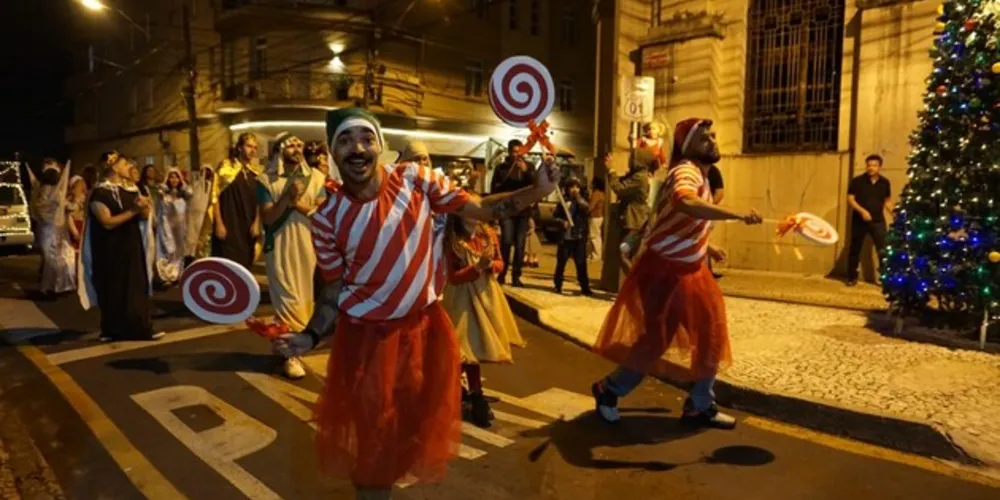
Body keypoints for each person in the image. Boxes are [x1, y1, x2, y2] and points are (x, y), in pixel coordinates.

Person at [274, 107, 559, 499]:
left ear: (380, 146)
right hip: (367, 341)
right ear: (333, 152)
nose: (357, 149)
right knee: (374, 439)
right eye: (345, 141)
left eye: (366, 138)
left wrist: (538, 191)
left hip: (424, 331)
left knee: (410, 429)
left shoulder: (416, 179)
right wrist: (309, 336)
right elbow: (333, 290)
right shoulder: (327, 219)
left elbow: (480, 208)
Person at [591, 118, 762, 430]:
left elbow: (682, 221)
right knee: (655, 341)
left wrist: (707, 247)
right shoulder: (685, 171)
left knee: (711, 336)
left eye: (713, 135)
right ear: (687, 146)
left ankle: (699, 406)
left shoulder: (703, 174)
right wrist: (736, 215)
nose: (712, 140)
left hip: (692, 271)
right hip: (664, 272)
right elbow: (685, 201)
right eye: (704, 137)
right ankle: (608, 390)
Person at [253, 133, 328, 380]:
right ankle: (290, 355)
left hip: (307, 245)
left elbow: (321, 211)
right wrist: (286, 197)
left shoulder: (316, 178)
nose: (296, 148)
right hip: (280, 246)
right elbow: (268, 217)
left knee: (305, 299)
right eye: (291, 145)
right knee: (287, 299)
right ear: (278, 151)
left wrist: (297, 204)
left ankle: (291, 345)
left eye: (299, 144)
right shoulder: (266, 180)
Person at [441, 214, 525, 428]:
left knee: (474, 349)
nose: (475, 216)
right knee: (463, 349)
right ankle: (467, 394)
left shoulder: (488, 235)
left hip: (486, 296)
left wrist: (490, 265)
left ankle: (463, 392)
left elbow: (500, 263)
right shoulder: (452, 240)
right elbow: (454, 277)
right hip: (461, 298)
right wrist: (476, 268)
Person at [78, 154, 164, 342]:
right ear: (114, 167)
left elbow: (143, 217)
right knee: (113, 287)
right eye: (125, 164)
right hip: (110, 248)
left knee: (136, 286)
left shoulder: (131, 190)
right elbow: (107, 222)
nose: (129, 167)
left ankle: (141, 328)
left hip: (131, 245)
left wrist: (145, 209)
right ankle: (112, 329)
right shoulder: (100, 193)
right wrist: (134, 210)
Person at [213, 133, 262, 269]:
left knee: (246, 264)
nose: (252, 150)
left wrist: (257, 222)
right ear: (240, 147)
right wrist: (219, 223)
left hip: (248, 225)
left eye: (255, 147)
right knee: (229, 264)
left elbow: (260, 199)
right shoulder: (225, 168)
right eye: (249, 146)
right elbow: (215, 196)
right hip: (230, 224)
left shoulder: (255, 173)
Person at [490, 139, 534, 287]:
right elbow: (495, 189)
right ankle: (502, 274)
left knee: (520, 244)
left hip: (523, 210)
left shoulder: (529, 167)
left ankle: (516, 276)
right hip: (507, 210)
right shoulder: (501, 168)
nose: (517, 155)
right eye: (515, 152)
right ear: (509, 152)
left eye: (520, 152)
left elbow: (535, 186)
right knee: (506, 241)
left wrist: (526, 171)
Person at [846, 154, 892, 286]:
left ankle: (885, 278)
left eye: (874, 165)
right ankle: (851, 277)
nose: (871, 168)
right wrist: (862, 211)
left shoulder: (885, 182)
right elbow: (850, 199)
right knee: (855, 249)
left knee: (883, 250)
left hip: (878, 221)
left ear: (880, 167)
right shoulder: (857, 181)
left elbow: (887, 201)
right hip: (859, 221)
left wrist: (895, 214)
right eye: (869, 165)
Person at [33, 159, 76, 295]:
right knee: (60, 257)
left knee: (49, 259)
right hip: (56, 228)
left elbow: (36, 209)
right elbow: (70, 206)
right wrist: (75, 202)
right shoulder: (56, 192)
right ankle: (58, 285)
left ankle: (48, 286)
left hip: (43, 228)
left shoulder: (39, 191)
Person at [553, 177, 592, 296]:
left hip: (578, 237)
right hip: (565, 237)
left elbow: (587, 209)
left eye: (577, 187)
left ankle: (584, 286)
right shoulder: (563, 202)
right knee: (561, 262)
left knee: (581, 263)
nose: (574, 189)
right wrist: (562, 222)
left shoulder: (582, 202)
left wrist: (578, 198)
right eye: (572, 187)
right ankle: (558, 284)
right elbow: (555, 217)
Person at [155, 168, 191, 286]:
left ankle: (177, 274)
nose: (174, 180)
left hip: (180, 227)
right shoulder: (162, 194)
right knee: (167, 249)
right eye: (171, 177)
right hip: (166, 226)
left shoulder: (185, 194)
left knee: (179, 250)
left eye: (176, 177)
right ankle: (165, 275)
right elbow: (159, 210)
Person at [185, 164, 216, 265]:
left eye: (209, 172)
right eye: (204, 172)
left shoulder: (214, 187)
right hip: (193, 217)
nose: (206, 174)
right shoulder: (195, 185)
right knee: (191, 242)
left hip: (207, 217)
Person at [67, 175, 88, 252]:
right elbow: (75, 234)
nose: (83, 193)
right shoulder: (69, 208)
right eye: (80, 189)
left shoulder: (86, 207)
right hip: (75, 245)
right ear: (73, 190)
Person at [588, 177, 605, 261]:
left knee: (594, 237)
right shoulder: (602, 193)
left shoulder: (596, 194)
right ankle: (594, 254)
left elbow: (591, 206)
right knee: (596, 236)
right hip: (599, 217)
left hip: (595, 217)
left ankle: (596, 255)